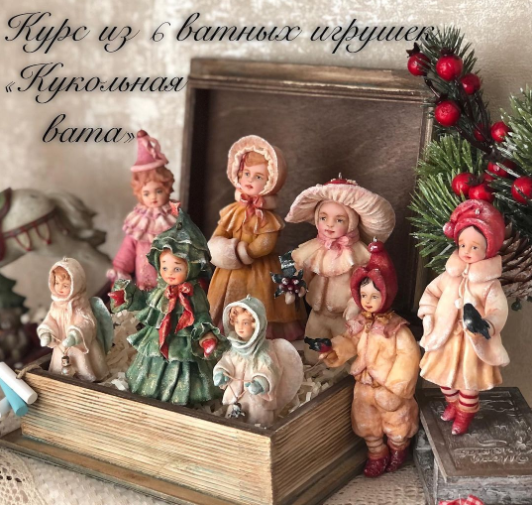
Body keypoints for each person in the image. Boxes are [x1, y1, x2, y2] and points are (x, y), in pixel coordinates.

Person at [110, 204, 228, 405]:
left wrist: (206, 335)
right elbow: (146, 304)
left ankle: (184, 394)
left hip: (185, 342)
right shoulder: (160, 290)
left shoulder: (194, 293)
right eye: (164, 267)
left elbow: (201, 315)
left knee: (185, 363)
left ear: (191, 267)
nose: (169, 273)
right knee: (152, 362)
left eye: (177, 268)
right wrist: (129, 296)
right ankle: (150, 388)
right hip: (158, 341)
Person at [320, 241, 420, 477]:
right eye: (363, 295)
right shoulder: (361, 324)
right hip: (364, 387)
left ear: (387, 295)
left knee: (397, 424)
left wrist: (396, 386)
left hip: (388, 389)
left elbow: (409, 356)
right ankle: (376, 453)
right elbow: (349, 341)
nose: (367, 301)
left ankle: (398, 449)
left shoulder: (397, 330)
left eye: (374, 295)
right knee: (367, 425)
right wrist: (336, 350)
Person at [418, 200, 510, 435]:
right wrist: (428, 315)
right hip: (446, 337)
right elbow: (431, 293)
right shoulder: (450, 275)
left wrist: (487, 324)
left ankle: (465, 414)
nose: (467, 251)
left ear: (488, 249)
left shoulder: (489, 285)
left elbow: (498, 310)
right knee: (443, 378)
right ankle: (452, 403)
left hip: (472, 344)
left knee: (469, 384)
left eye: (475, 247)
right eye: (462, 245)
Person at [284, 177, 395, 363]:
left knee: (342, 352)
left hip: (343, 315)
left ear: (351, 222)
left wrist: (354, 304)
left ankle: (341, 374)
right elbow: (305, 271)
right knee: (313, 349)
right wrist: (297, 286)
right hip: (317, 313)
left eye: (339, 220)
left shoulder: (358, 254)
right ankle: (313, 366)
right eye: (323, 218)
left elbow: (363, 283)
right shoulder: (313, 248)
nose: (329, 224)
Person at [208, 135, 305, 341]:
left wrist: (246, 252)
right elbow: (221, 230)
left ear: (271, 182)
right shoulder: (233, 211)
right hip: (230, 267)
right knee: (226, 296)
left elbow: (265, 244)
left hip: (258, 268)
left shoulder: (266, 217)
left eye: (258, 176)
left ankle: (263, 333)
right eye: (246, 173)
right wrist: (218, 246)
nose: (250, 180)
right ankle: (228, 329)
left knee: (261, 297)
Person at [213, 296, 303, 427]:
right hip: (236, 396)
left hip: (257, 398)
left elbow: (271, 369)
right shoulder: (233, 348)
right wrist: (221, 372)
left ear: (257, 324)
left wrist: (261, 383)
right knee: (231, 418)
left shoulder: (265, 350)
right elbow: (226, 361)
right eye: (237, 322)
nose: (240, 327)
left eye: (245, 323)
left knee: (258, 417)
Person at [107, 130, 177, 290]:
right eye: (146, 193)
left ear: (167, 188)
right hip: (145, 282)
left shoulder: (174, 216)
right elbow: (128, 247)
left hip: (173, 282)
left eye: (158, 191)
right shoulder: (139, 221)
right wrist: (121, 268)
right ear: (139, 193)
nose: (153, 197)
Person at [38, 258, 109, 382]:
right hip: (62, 347)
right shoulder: (56, 304)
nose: (60, 288)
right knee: (60, 373)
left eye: (65, 285)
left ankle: (87, 381)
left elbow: (88, 322)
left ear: (76, 285)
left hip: (79, 346)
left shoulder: (80, 304)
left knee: (83, 367)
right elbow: (51, 320)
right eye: (56, 283)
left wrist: (75, 335)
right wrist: (46, 332)